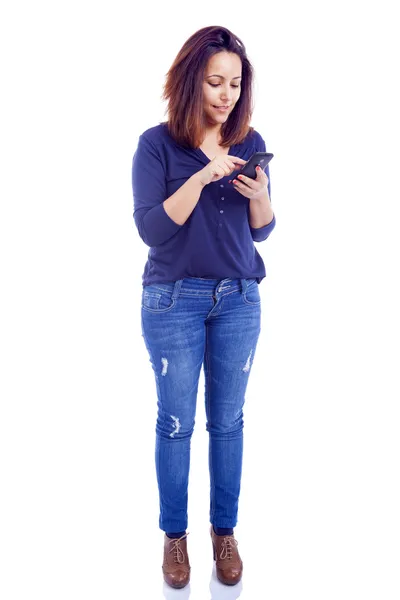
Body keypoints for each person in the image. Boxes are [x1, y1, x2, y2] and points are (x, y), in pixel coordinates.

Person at [131, 25, 276, 589]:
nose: (226, 94)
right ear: (192, 81)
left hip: (240, 298)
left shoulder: (249, 139)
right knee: (175, 423)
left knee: (229, 422)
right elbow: (151, 228)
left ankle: (224, 533)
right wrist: (201, 176)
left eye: (235, 84)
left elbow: (262, 232)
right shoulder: (156, 144)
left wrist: (261, 196)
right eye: (215, 81)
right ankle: (174, 537)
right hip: (173, 300)